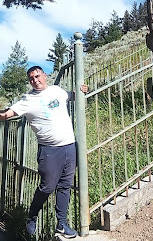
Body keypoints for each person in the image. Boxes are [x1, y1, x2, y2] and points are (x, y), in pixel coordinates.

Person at [0, 65, 88, 238]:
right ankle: (31, 216)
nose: (35, 80)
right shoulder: (27, 100)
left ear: (44, 76)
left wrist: (84, 90)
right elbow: (6, 115)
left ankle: (61, 224)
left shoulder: (57, 91)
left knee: (65, 186)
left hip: (69, 146)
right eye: (31, 78)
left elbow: (73, 96)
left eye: (37, 76)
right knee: (47, 187)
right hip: (49, 151)